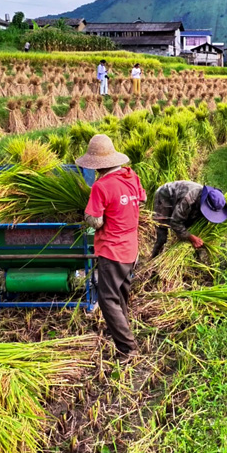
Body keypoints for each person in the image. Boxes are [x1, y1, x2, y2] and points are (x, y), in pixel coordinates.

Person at [76, 135, 146, 358]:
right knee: (120, 295)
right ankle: (122, 331)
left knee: (107, 300)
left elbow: (96, 222)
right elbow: (141, 199)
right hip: (131, 248)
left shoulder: (101, 186)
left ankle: (127, 349)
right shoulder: (131, 176)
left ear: (98, 165)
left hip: (112, 250)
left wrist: (87, 214)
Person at [150, 181, 227, 258]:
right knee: (162, 234)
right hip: (165, 196)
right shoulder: (188, 199)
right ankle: (154, 258)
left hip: (180, 200)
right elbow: (175, 223)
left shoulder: (202, 200)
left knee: (187, 224)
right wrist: (191, 237)